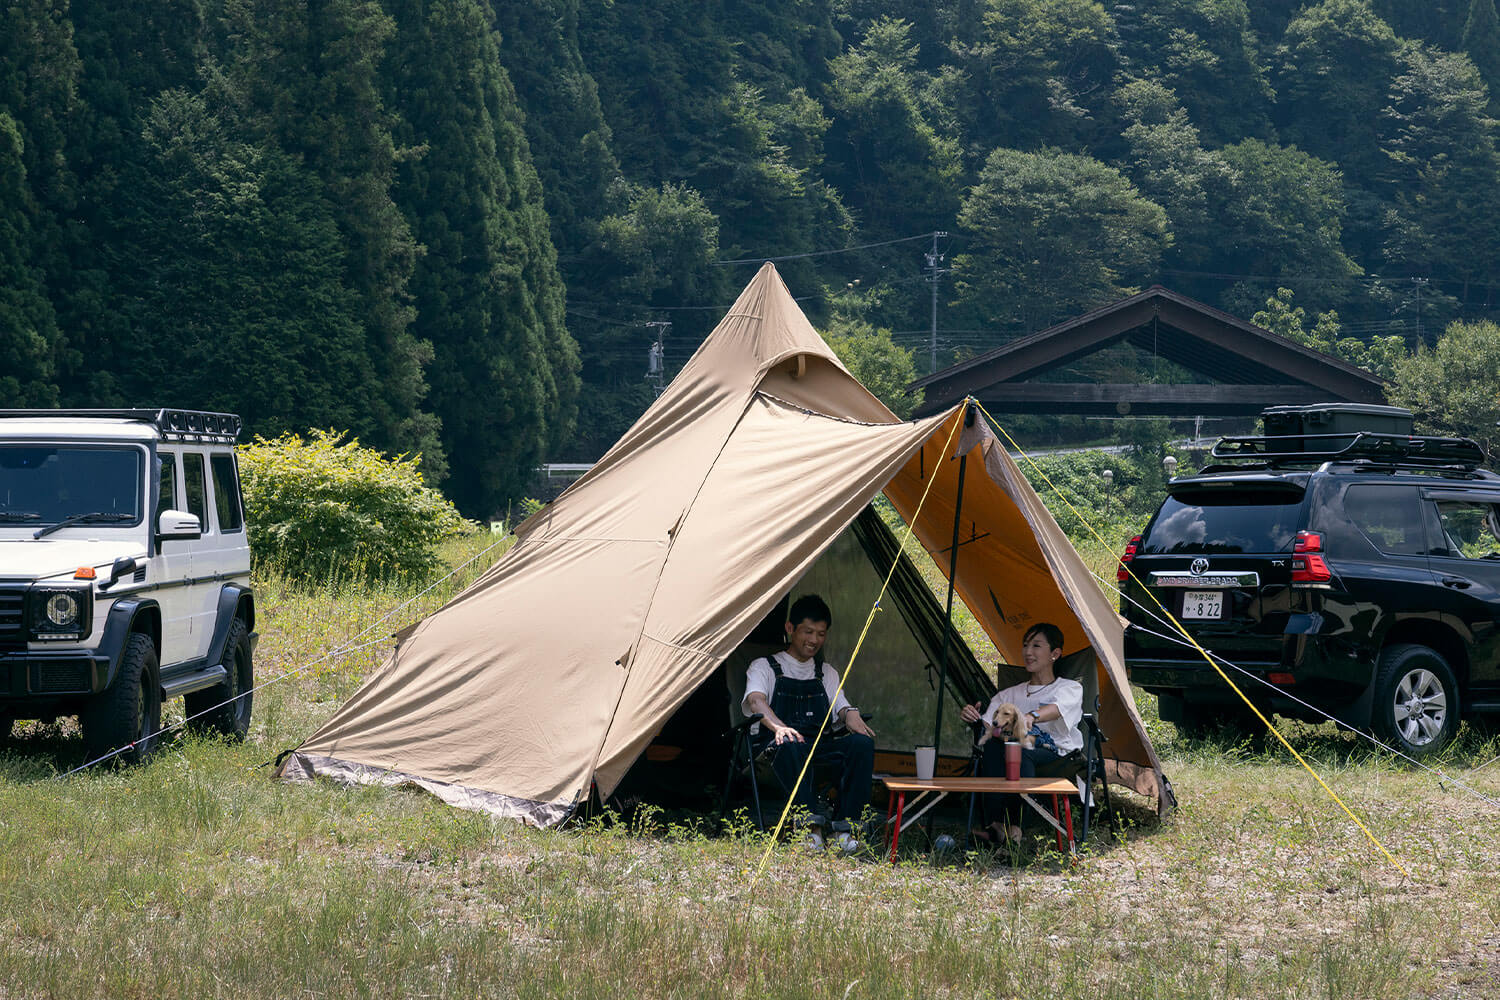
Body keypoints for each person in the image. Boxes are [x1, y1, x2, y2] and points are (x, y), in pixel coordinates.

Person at [742, 594, 875, 852]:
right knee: (791, 742)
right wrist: (779, 727)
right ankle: (810, 830)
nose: (814, 640)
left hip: (816, 749)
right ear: (790, 629)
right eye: (808, 632)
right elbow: (756, 702)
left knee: (861, 744)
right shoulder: (764, 667)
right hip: (776, 751)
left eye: (821, 634)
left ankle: (843, 831)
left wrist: (851, 714)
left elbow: (841, 705)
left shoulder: (827, 672)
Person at [959, 622, 1084, 845]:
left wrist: (1031, 716)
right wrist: (975, 718)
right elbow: (990, 726)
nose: (1028, 652)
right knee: (997, 745)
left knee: (1018, 748)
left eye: (1036, 646)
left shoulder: (1069, 688)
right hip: (1015, 752)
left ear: (1055, 654)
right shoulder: (1009, 694)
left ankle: (1015, 828)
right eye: (1026, 645)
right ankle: (996, 825)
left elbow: (1056, 709)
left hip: (1057, 753)